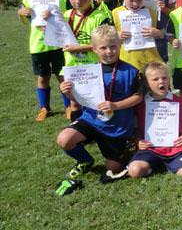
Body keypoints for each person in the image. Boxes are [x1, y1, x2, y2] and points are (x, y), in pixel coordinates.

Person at [55, 25, 142, 195]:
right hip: (92, 120)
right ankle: (86, 160)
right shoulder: (86, 72)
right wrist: (68, 93)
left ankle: (128, 147)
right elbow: (80, 101)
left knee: (113, 168)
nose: (109, 51)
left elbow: (138, 97)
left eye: (113, 46)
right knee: (64, 139)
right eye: (103, 47)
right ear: (94, 49)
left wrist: (115, 105)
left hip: (118, 127)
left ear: (119, 46)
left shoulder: (131, 71)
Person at [18, 0, 69, 121]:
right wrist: (21, 11)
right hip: (38, 46)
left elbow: (69, 15)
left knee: (63, 77)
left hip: (59, 44)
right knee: (43, 77)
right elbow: (23, 14)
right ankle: (44, 108)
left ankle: (68, 106)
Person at [128, 61, 182, 178]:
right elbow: (135, 127)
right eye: (155, 79)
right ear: (146, 83)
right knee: (134, 171)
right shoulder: (140, 104)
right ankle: (154, 164)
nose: (161, 81)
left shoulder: (180, 101)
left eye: (164, 78)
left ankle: (168, 164)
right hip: (150, 147)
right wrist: (138, 141)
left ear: (169, 80)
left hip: (176, 148)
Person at [62, 0, 112, 120]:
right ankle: (79, 131)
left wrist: (77, 48)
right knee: (75, 103)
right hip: (73, 66)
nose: (77, 1)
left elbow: (103, 44)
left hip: (95, 66)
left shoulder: (99, 16)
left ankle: (100, 130)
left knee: (97, 100)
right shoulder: (65, 15)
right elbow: (57, 39)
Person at [111, 0, 163, 71]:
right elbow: (107, 38)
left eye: (139, 0)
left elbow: (163, 33)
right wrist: (116, 35)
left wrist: (158, 33)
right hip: (127, 63)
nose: (135, 4)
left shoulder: (152, 12)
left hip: (151, 62)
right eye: (131, 0)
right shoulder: (115, 13)